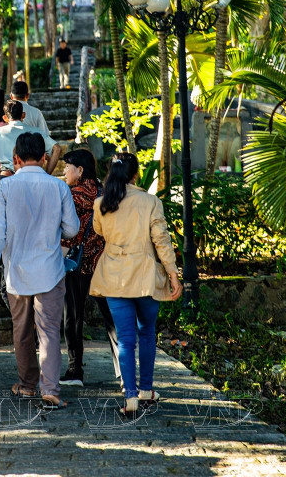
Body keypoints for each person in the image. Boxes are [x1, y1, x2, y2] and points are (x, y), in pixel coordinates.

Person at [0, 132, 80, 410]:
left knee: (22, 330)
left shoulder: (4, 187)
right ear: (44, 158)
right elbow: (72, 229)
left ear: (15, 158)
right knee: (49, 331)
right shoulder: (59, 187)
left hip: (16, 271)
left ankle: (27, 385)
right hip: (50, 270)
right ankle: (49, 389)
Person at [90, 152, 183, 417]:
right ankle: (146, 389)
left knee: (125, 340)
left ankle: (130, 397)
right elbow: (161, 242)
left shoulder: (101, 204)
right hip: (144, 277)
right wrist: (173, 275)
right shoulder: (150, 202)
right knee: (147, 333)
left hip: (114, 277)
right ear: (136, 174)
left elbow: (99, 231)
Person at [59, 149, 119, 388]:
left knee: (73, 316)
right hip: (102, 263)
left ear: (80, 170)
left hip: (77, 263)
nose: (64, 171)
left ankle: (75, 370)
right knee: (112, 316)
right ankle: (123, 370)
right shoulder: (104, 193)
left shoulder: (71, 195)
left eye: (67, 167)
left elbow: (65, 230)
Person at [0, 100, 61, 178]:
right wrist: (47, 173)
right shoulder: (36, 131)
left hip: (7, 174)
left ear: (5, 117)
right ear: (23, 115)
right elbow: (57, 148)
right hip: (31, 176)